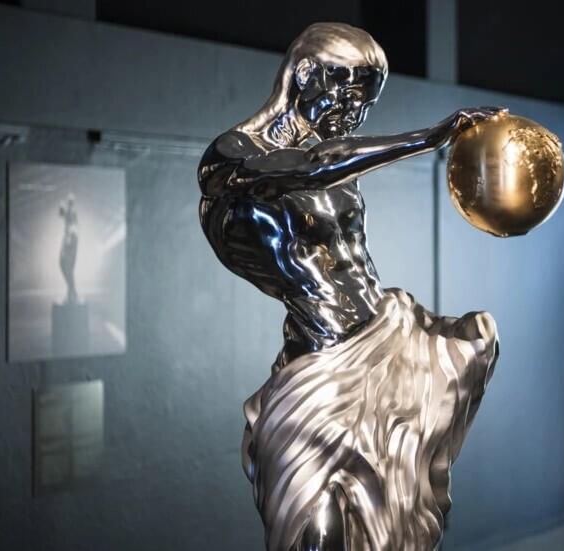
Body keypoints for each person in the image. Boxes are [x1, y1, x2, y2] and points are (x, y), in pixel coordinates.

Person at [198, 23, 502, 551]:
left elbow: (348, 240)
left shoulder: (340, 164)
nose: (355, 114)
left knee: (478, 339)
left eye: (366, 105)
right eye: (348, 96)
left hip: (383, 340)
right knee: (316, 531)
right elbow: (311, 167)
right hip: (318, 365)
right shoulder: (230, 158)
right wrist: (427, 138)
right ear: (306, 74)